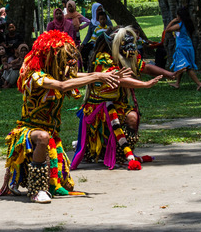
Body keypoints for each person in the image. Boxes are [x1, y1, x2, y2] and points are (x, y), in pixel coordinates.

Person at [0, 30, 130, 203]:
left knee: (67, 187)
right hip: (29, 130)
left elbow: (75, 76)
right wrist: (98, 76)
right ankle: (37, 190)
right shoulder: (36, 76)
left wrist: (105, 76)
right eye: (62, 57)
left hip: (52, 133)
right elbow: (62, 85)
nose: (67, 62)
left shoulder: (56, 74)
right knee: (42, 136)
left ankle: (43, 181)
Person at [70, 26, 177, 172]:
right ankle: (106, 152)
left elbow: (144, 67)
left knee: (133, 117)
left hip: (118, 103)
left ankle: (121, 155)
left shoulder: (127, 57)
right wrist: (145, 84)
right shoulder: (103, 59)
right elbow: (120, 80)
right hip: (98, 107)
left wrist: (168, 74)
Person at [165, 6, 201, 91]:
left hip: (181, 48)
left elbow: (167, 30)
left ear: (179, 16)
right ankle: (177, 83)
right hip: (189, 47)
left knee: (187, 67)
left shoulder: (179, 25)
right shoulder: (189, 24)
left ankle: (199, 83)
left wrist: (173, 21)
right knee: (182, 66)